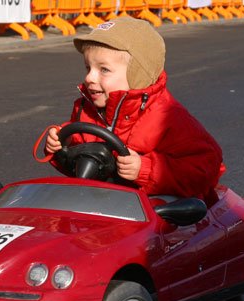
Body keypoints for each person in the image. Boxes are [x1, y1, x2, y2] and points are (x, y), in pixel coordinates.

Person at [43, 16, 223, 204]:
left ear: (137, 74)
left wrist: (144, 169)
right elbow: (81, 169)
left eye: (103, 70)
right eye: (88, 68)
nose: (89, 77)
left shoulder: (168, 117)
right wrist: (61, 144)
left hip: (160, 210)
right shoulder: (86, 110)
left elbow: (207, 169)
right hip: (106, 204)